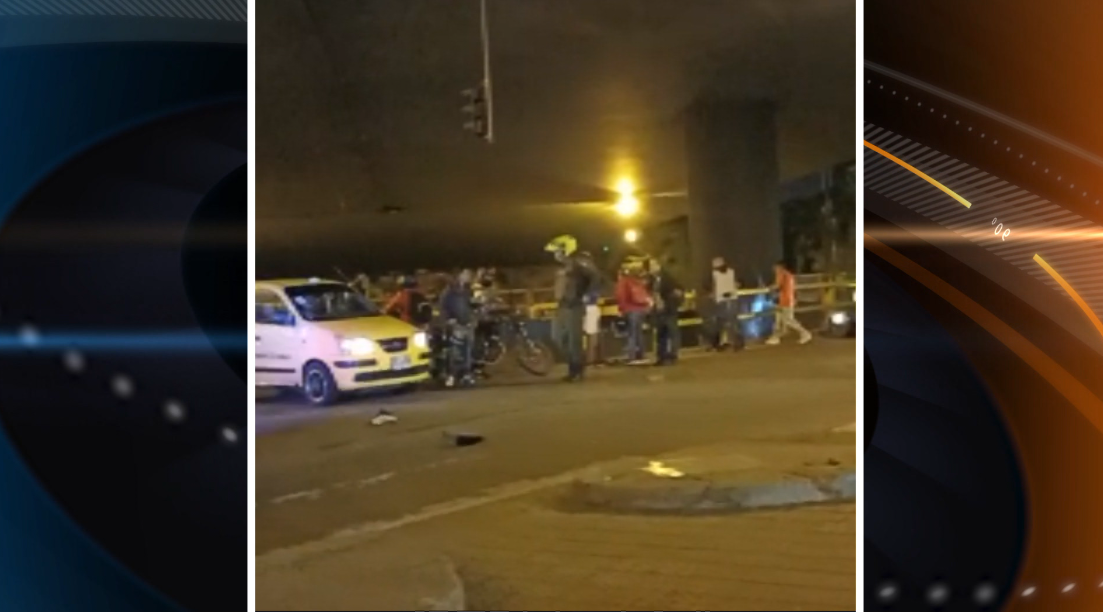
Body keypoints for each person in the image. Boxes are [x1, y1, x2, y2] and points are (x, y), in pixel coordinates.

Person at [546, 235, 600, 382]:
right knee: (557, 337)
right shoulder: (564, 267)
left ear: (565, 250)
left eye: (557, 251)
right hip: (562, 306)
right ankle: (574, 366)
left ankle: (576, 370)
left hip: (574, 305)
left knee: (573, 340)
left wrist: (588, 295)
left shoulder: (579, 263)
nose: (555, 255)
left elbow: (595, 277)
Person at [439, 269, 477, 386]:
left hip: (467, 324)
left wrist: (473, 318)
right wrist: (450, 320)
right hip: (457, 325)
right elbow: (443, 308)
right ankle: (451, 375)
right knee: (455, 352)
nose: (468, 276)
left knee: (467, 351)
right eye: (466, 274)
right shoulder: (449, 292)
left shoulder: (466, 290)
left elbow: (470, 305)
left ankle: (465, 374)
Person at [767, 260, 813, 345]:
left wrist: (769, 288)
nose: (774, 269)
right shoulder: (789, 275)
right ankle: (776, 337)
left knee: (788, 320)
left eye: (775, 267)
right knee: (779, 318)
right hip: (787, 299)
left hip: (785, 300)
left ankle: (805, 333)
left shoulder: (781, 274)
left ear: (779, 267)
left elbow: (777, 286)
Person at [647, 258, 682, 365]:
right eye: (650, 266)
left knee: (672, 332)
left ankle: (672, 355)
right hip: (659, 310)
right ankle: (661, 356)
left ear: (659, 266)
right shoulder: (652, 280)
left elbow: (677, 291)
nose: (651, 269)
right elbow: (651, 292)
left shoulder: (667, 278)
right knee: (661, 334)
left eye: (653, 266)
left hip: (669, 309)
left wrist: (669, 301)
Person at [704, 256, 744, 351]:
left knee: (725, 323)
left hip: (723, 299)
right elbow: (739, 282)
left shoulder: (715, 274)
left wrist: (712, 293)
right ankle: (730, 343)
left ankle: (728, 343)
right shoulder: (731, 272)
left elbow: (709, 286)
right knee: (726, 322)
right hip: (726, 299)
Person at [615, 262, 651, 364]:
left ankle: (632, 356)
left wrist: (621, 310)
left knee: (631, 333)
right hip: (641, 309)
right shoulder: (636, 281)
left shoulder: (623, 282)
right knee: (639, 333)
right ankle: (641, 354)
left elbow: (621, 297)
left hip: (630, 309)